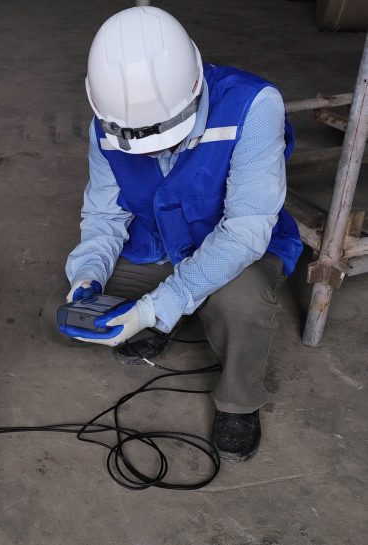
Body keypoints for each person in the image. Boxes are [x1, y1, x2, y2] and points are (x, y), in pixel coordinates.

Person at [53, 6, 303, 462]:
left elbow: (246, 228)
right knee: (81, 305)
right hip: (156, 245)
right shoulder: (106, 124)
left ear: (194, 90)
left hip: (237, 249)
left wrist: (156, 305)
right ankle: (162, 317)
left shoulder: (254, 106)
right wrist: (87, 273)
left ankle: (238, 401)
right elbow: (104, 214)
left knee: (243, 303)